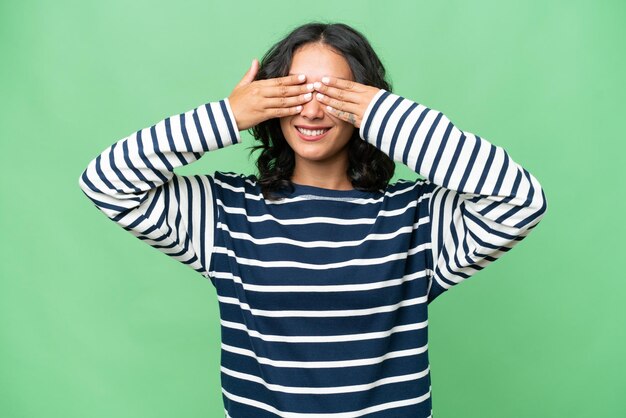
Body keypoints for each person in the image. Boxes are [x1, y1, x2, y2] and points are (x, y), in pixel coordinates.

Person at [78, 22, 547, 418]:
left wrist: (384, 113)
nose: (314, 109)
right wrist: (227, 114)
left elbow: (521, 201)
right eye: (296, 91)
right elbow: (105, 181)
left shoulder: (417, 219)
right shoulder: (225, 211)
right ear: (270, 99)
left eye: (334, 94)